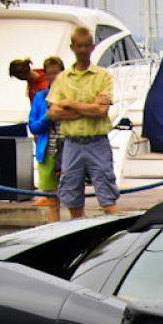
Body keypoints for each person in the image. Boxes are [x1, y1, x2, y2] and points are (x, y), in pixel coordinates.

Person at [46, 27, 118, 218]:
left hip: (97, 143)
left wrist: (70, 104)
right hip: (71, 145)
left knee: (108, 199)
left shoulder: (103, 76)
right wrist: (89, 108)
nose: (83, 50)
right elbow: (53, 112)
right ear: (73, 47)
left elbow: (102, 111)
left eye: (86, 46)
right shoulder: (62, 78)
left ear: (92, 47)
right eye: (79, 46)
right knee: (72, 201)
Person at [28, 56, 65, 223]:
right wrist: (47, 116)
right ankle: (55, 234)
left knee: (73, 199)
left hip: (68, 151)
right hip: (47, 152)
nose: (54, 76)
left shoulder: (70, 96)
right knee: (51, 200)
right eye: (50, 73)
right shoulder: (40, 98)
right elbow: (33, 126)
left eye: (57, 72)